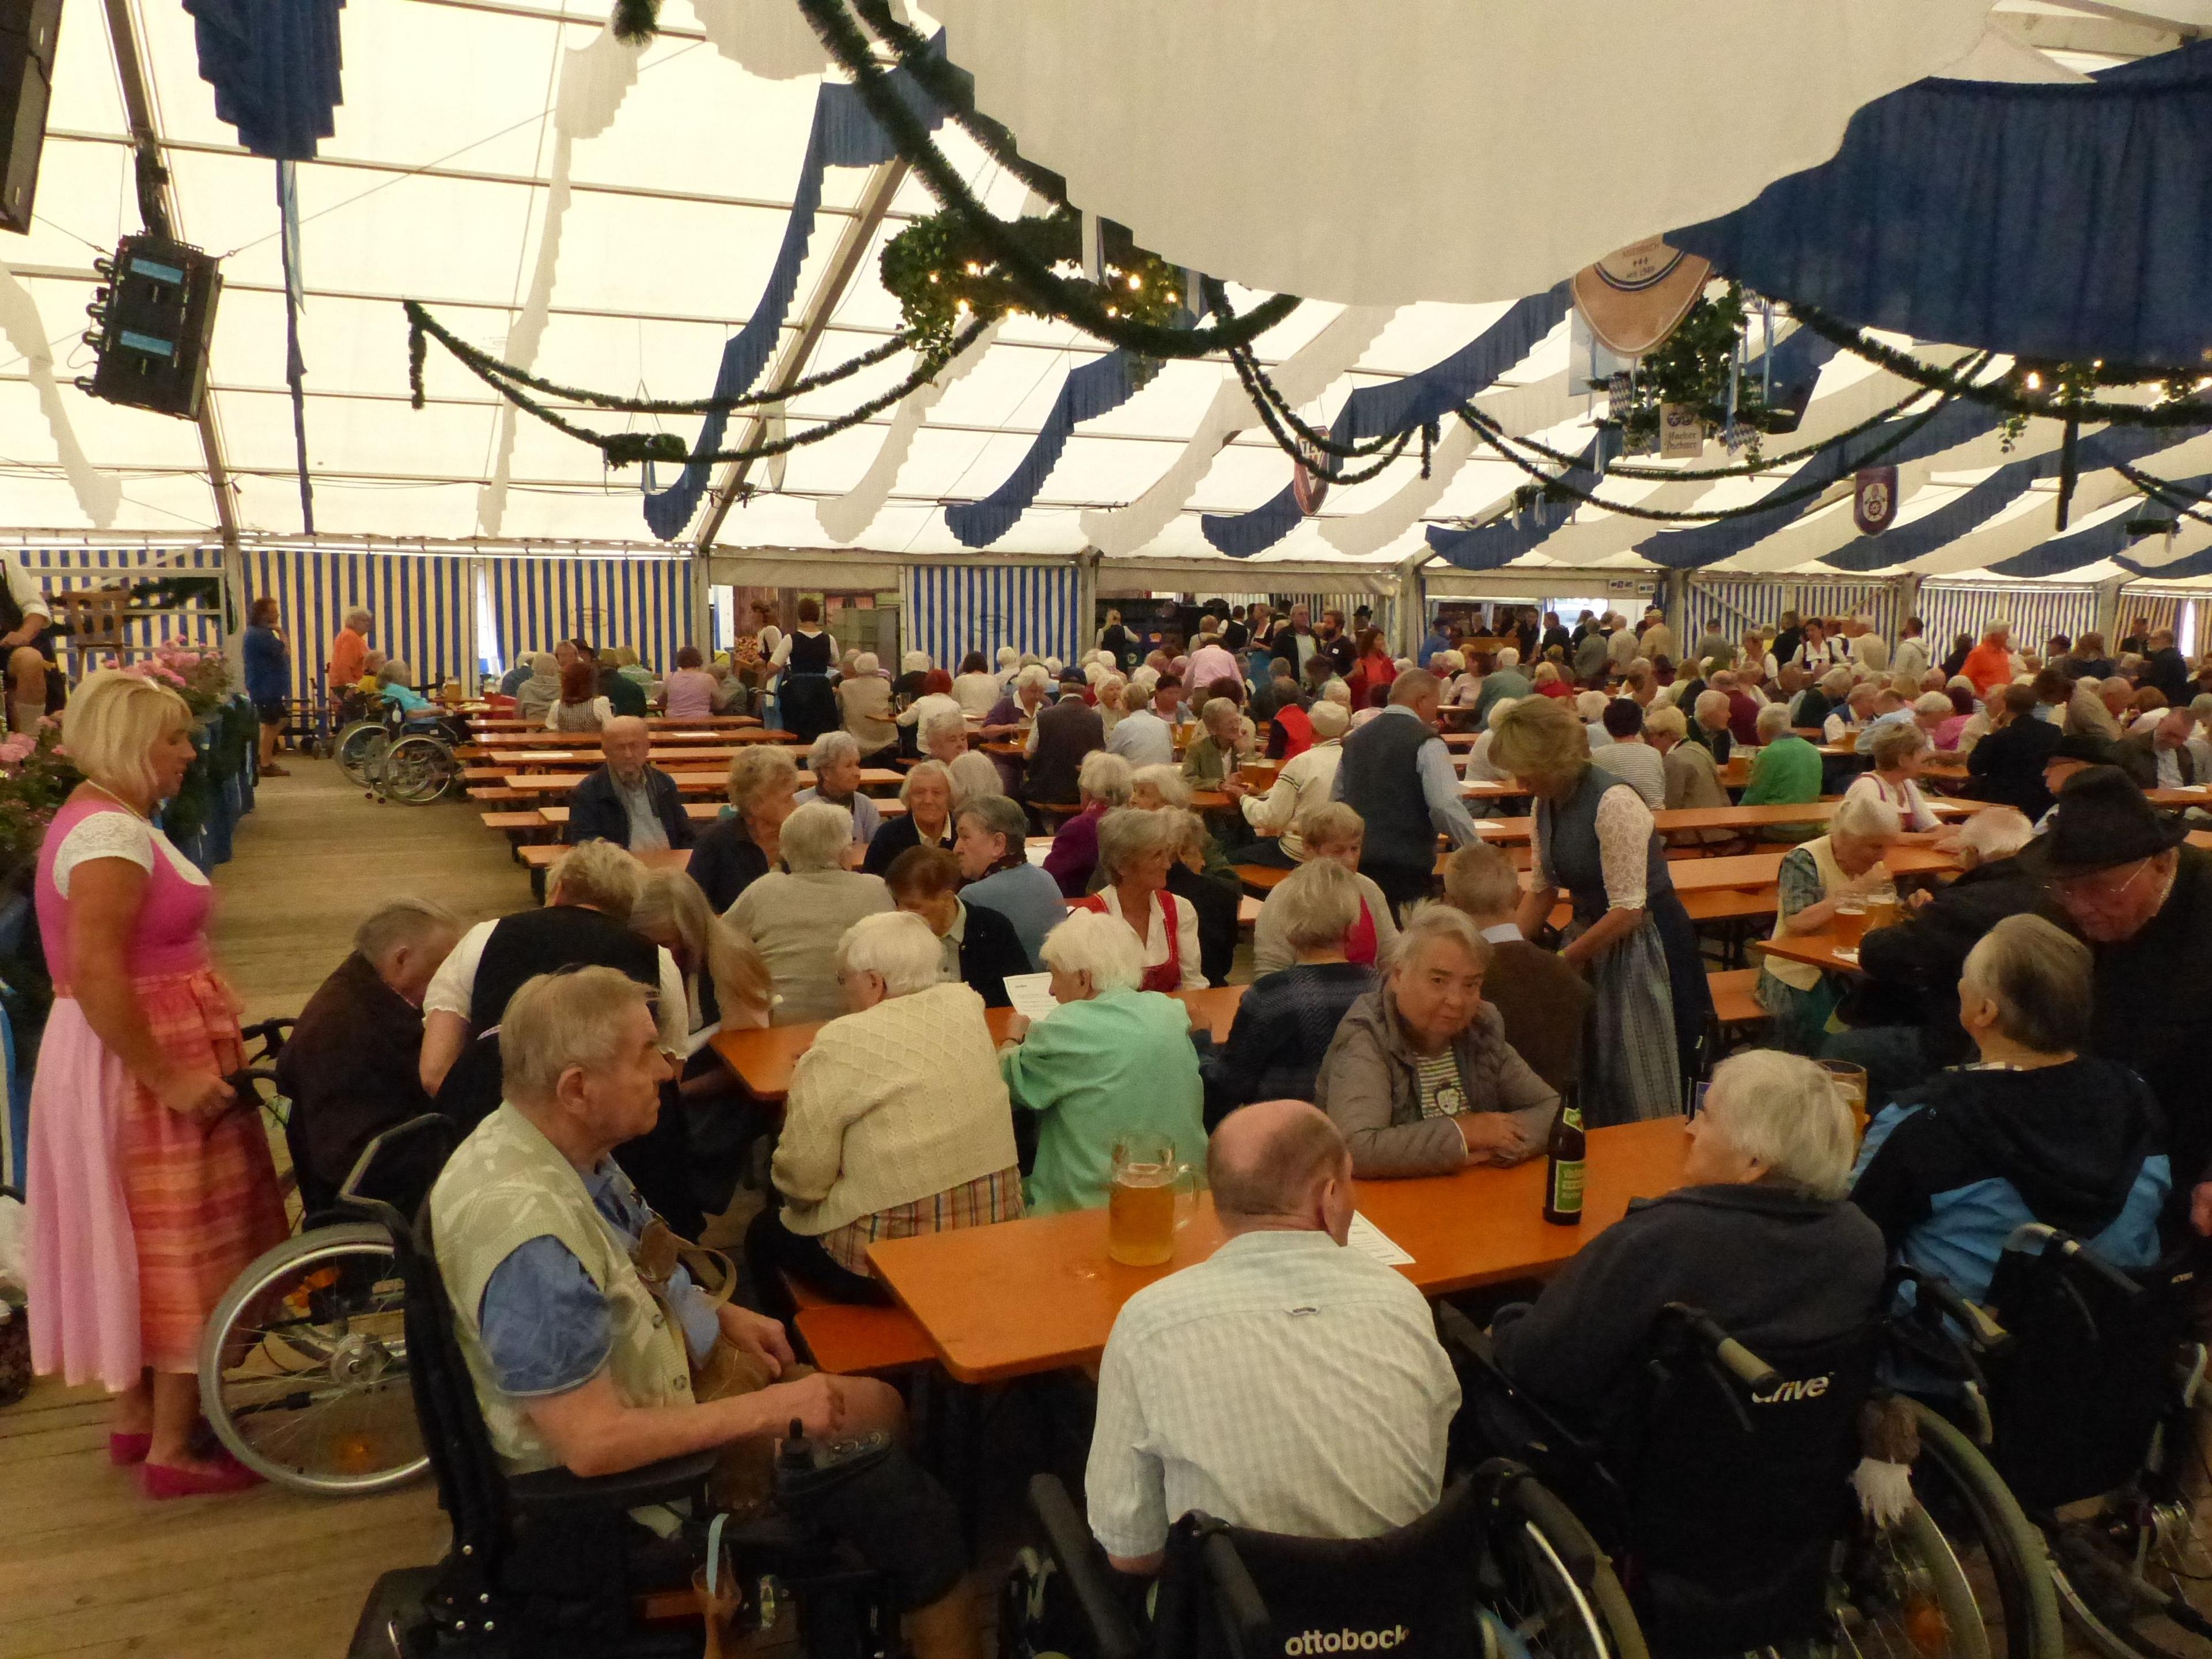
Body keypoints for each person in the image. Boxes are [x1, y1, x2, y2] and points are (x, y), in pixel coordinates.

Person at [428, 968, 979, 1659]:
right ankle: (868, 1571)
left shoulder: (548, 1149)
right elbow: (592, 1446)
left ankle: (845, 1583)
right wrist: (765, 1411)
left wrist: (726, 1317)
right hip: (634, 1499)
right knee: (924, 1522)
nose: (668, 1070)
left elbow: (640, 1262)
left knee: (882, 1411)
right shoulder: (530, 1241)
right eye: (646, 1053)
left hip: (669, 1392)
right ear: (576, 1089)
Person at [22, 671, 290, 1496]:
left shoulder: (110, 819)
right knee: (181, 1236)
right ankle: (175, 1447)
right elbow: (98, 973)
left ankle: (139, 1416)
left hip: (134, 1043)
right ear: (132, 745)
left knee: (139, 1233)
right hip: (139, 1055)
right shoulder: (110, 835)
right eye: (174, 739)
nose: (189, 752)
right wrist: (168, 1075)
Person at [1085, 1100, 1457, 1573]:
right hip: (1408, 1604)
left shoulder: (1148, 1324)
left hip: (1234, 1612)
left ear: (1218, 1203)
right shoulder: (1402, 1301)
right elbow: (1428, 1485)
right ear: (1330, 1198)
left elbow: (1132, 1555)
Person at [1488, 1050, 1883, 1435]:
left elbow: (1542, 1367)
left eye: (1707, 1117)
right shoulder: (1862, 1242)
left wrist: (1505, 1320)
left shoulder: (1656, 1242)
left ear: (1754, 1164)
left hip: (1639, 1459)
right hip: (1796, 1455)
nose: (1692, 1128)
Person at [1851, 915, 2169, 1304]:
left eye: (1965, 978)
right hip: (2113, 1326)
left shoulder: (1923, 1123)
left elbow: (1854, 1250)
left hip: (1963, 1337)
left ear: (1984, 1012)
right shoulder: (2135, 1096)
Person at [747, 911, 1022, 1317]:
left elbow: (802, 1185)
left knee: (762, 1233)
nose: (843, 993)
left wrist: (815, 1075)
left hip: (889, 1268)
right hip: (996, 1238)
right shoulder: (966, 1008)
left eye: (844, 980)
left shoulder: (841, 1039)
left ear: (875, 983)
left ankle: (792, 1348)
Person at [1496, 695, 1709, 1123]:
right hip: (1593, 936)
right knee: (1589, 1065)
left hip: (1645, 946)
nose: (1519, 783)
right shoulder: (1545, 803)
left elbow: (1629, 911)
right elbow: (1542, 891)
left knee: (1635, 1071)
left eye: (1526, 770)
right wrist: (1502, 954)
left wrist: (1560, 963)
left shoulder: (1614, 801)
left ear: (1553, 760)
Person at [2031, 769, 2212, 1209]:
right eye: (2066, 890)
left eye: (2100, 888)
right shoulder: (2062, 912)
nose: (2081, 907)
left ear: (2162, 863)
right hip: (2096, 1136)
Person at [1312, 903, 1556, 1179]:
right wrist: (1466, 1133)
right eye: (1439, 981)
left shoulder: (1481, 1028)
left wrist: (1503, 1143)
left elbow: (1556, 1111)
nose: (1456, 1001)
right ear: (1398, 976)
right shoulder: (1367, 1035)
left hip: (1476, 1193)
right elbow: (1356, 1148)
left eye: (1471, 984)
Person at [998, 910, 1206, 1214]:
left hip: (1092, 1208)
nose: (1051, 990)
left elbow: (1004, 1087)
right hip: (1184, 1195)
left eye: (1054, 975)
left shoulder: (1064, 1028)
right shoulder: (1170, 1012)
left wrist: (1013, 1038)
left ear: (1084, 979)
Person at [276, 899, 463, 1216]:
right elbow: (350, 1157)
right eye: (443, 965)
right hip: (372, 1192)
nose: (450, 978)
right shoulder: (345, 1027)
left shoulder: (362, 987)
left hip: (383, 1156)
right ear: (401, 959)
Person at [1197, 861, 1374, 1126]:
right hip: (1361, 1129)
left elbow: (1227, 1087)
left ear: (1289, 931)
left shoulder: (1270, 995)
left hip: (1282, 1134)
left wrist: (1200, 1042)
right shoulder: (1381, 989)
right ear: (1351, 929)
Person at [1440, 842, 1592, 1101]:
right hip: (1561, 1114)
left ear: (1450, 903)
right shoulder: (1570, 978)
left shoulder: (1455, 986)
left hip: (1482, 1119)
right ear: (1518, 896)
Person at [1331, 670, 1483, 916]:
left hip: (1358, 861)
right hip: (1407, 866)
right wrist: (1476, 848)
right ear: (1422, 700)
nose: (1437, 711)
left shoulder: (1355, 739)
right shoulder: (1427, 741)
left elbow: (1337, 801)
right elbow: (1444, 805)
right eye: (1435, 703)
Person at [1758, 794, 1902, 1051]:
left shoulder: (1871, 864)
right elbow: (1797, 921)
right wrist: (1856, 890)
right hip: (1797, 968)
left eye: (1885, 847)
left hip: (1849, 966)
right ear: (1846, 837)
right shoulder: (1804, 859)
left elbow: (1883, 914)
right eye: (1874, 847)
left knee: (1892, 1014)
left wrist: (1911, 904)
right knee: (1826, 1038)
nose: (1882, 855)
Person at [728, 801, 894, 1025]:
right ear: (842, 853)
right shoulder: (875, 889)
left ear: (786, 852)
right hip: (859, 1021)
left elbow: (720, 942)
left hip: (780, 1024)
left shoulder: (763, 890)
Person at [1251, 802, 1398, 975]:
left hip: (1367, 990)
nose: (1350, 860)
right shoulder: (1283, 897)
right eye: (1338, 851)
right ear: (1309, 850)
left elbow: (1391, 954)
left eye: (1355, 848)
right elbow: (1270, 971)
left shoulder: (1369, 890)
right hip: (1303, 990)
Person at [1070, 807, 1204, 993]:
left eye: (1166, 854)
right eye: (1157, 856)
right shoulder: (1087, 918)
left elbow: (1193, 984)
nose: (1167, 865)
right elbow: (1077, 994)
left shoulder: (1180, 910)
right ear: (1122, 866)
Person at [884, 846, 1028, 1007]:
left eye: (914, 907)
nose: (901, 914)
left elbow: (1021, 995)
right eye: (897, 904)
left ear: (946, 899)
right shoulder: (894, 936)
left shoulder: (993, 929)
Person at [1224, 697, 1350, 866]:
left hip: (1299, 852)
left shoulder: (1302, 762)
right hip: (1340, 853)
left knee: (1227, 861)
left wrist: (1242, 798)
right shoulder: (1351, 760)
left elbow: (1270, 818)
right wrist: (1261, 794)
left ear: (1312, 728)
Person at [688, 743, 799, 913]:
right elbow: (691, 909)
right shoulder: (715, 843)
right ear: (755, 805)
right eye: (787, 799)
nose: (796, 806)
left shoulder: (803, 838)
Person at [955, 793, 1061, 969]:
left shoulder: (973, 896)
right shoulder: (1047, 879)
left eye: (965, 837)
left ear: (998, 843)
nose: (957, 849)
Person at [563, 715, 697, 853]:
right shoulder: (587, 792)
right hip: (620, 865)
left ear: (647, 748)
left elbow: (686, 834)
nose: (628, 755)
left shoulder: (664, 783)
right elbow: (586, 846)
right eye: (620, 747)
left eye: (634, 746)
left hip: (670, 863)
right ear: (606, 751)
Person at [1045, 749, 1133, 897]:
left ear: (1088, 791)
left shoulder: (1080, 827)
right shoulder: (1133, 819)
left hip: (1078, 902)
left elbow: (1048, 876)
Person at [1967, 683, 2063, 818]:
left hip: (2003, 803)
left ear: (2005, 704)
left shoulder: (1999, 737)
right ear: (2034, 705)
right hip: (2042, 803)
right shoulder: (2054, 732)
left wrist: (1989, 733)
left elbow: (1975, 767)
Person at [1843, 721, 1945, 836]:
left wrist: (1958, 835)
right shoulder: (1867, 787)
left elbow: (1931, 825)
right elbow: (1880, 838)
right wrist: (1933, 838)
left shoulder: (1905, 783)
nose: (1925, 756)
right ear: (1902, 760)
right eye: (1920, 752)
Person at [863, 758, 955, 876]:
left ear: (949, 797)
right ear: (908, 798)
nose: (928, 801)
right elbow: (873, 883)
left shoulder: (963, 834)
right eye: (919, 793)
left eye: (937, 793)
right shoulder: (888, 836)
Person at [1025, 671, 1105, 806]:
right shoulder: (1098, 718)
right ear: (1085, 690)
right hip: (1084, 792)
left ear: (1060, 688)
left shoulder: (1044, 716)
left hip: (1047, 791)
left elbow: (1027, 755)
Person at [1738, 701, 1823, 823]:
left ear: (1764, 729)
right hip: (1810, 821)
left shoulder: (1769, 753)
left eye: (1757, 727)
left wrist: (1735, 814)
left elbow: (1754, 797)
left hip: (1778, 824)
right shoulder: (1812, 749)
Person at [798, 729, 884, 847]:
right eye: (848, 766)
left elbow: (876, 850)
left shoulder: (866, 807)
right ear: (826, 772)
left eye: (857, 764)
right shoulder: (800, 805)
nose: (857, 773)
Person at [770, 597, 838, 743]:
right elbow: (835, 662)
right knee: (823, 731)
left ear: (800, 615)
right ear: (818, 615)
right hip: (822, 689)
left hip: (798, 689)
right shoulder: (829, 639)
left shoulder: (790, 639)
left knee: (796, 731)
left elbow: (773, 666)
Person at [243, 596, 290, 777]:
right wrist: (281, 632)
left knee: (281, 720)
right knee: (271, 724)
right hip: (265, 687)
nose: (277, 615)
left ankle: (263, 756)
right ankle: (265, 763)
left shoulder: (259, 633)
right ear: (263, 614)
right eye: (274, 611)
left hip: (269, 686)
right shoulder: (260, 634)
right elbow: (285, 651)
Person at [1589, 698, 1664, 806]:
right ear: (1639, 724)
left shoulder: (1597, 756)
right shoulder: (1654, 754)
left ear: (1606, 725)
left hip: (1618, 814)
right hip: (1655, 813)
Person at [833, 651, 897, 760]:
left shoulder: (845, 686)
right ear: (876, 667)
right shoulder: (885, 684)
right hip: (885, 738)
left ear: (856, 666)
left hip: (854, 737)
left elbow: (838, 707)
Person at [2119, 705, 2199, 791]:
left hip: (2182, 798)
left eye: (2180, 738)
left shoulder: (2184, 754)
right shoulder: (2130, 748)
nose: (2172, 741)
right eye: (2170, 734)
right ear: (2161, 723)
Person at [1106, 674, 1178, 767]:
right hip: (1164, 774)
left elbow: (1110, 759)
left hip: (1136, 775)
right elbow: (1171, 754)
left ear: (1125, 703)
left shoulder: (1123, 726)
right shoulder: (1163, 724)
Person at [1179, 696, 1247, 789]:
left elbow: (1253, 779)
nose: (1235, 727)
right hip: (1211, 799)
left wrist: (1243, 750)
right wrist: (1220, 785)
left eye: (1237, 721)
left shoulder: (1240, 746)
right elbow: (1186, 780)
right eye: (1229, 723)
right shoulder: (1198, 749)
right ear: (1212, 729)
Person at [547, 657, 611, 733]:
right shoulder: (600, 704)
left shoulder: (557, 705)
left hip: (566, 741)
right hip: (594, 741)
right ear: (590, 682)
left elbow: (551, 727)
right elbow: (610, 728)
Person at [661, 645, 721, 720]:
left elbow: (662, 702)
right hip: (701, 721)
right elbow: (719, 705)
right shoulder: (708, 678)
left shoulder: (670, 678)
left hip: (673, 720)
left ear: (679, 660)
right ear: (698, 660)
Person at [327, 607, 373, 697]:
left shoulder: (354, 637)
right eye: (363, 620)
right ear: (353, 622)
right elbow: (345, 665)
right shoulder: (350, 637)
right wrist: (352, 687)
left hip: (347, 685)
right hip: (347, 688)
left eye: (368, 621)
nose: (367, 624)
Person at [1962, 623, 2016, 696]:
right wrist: (1980, 698)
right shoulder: (1978, 653)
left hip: (2003, 699)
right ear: (1994, 636)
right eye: (2005, 634)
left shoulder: (2003, 653)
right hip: (1985, 700)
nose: (2008, 637)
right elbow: (1965, 679)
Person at [512, 652, 562, 725]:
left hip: (533, 730)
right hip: (558, 730)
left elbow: (518, 715)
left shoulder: (525, 687)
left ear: (534, 667)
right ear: (557, 667)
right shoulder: (564, 687)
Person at [950, 652, 1001, 719]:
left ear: (966, 665)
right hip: (989, 720)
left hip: (967, 720)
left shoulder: (959, 680)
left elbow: (955, 704)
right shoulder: (994, 680)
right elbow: (996, 702)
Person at [1892, 616, 1930, 684]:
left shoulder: (1905, 647)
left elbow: (1899, 672)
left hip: (1905, 686)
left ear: (1909, 629)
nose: (1902, 628)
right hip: (1917, 686)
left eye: (1904, 625)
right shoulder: (1924, 647)